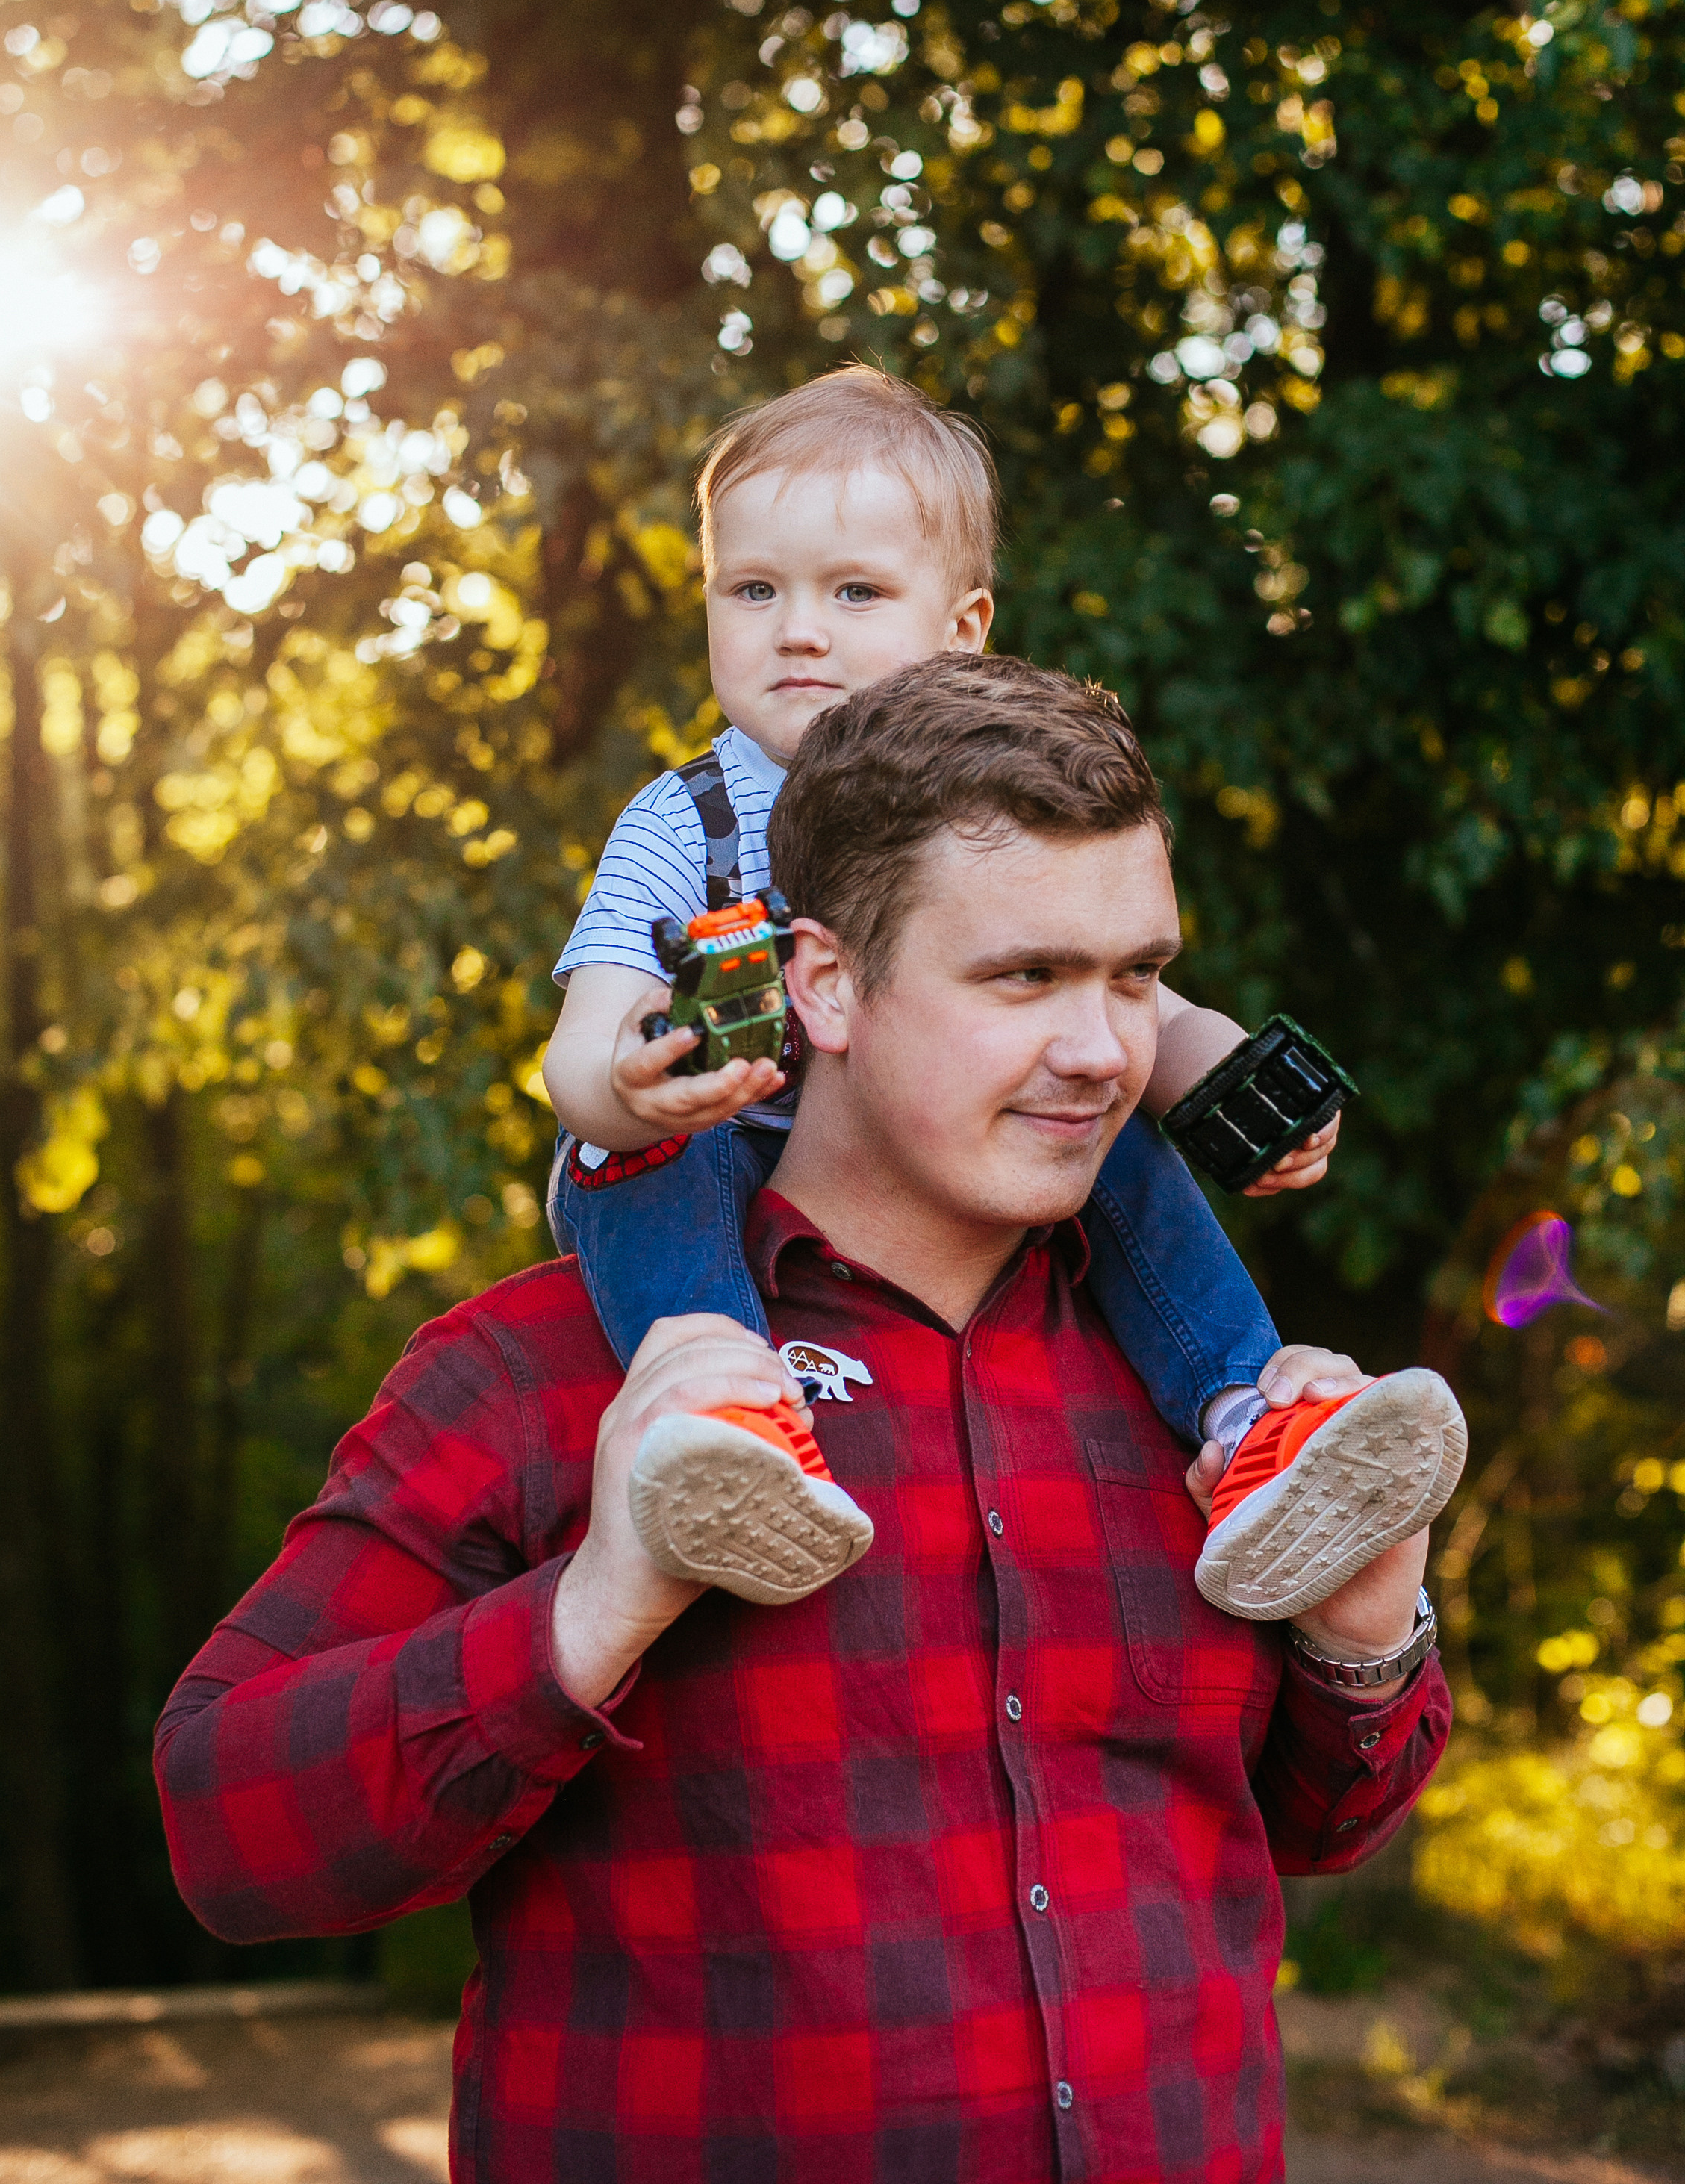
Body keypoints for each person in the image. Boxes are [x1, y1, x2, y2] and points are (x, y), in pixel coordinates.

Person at [156, 654, 1456, 2184]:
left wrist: (1365, 1629)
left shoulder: (1204, 1389)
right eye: (1023, 976)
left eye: (1133, 974)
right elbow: (226, 1825)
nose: (1107, 1047)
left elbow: (1318, 1822)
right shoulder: (536, 1373)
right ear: (821, 982)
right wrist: (598, 1603)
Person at [540, 367, 1452, 1620]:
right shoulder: (680, 820)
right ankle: (719, 1417)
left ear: (962, 627)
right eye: (752, 590)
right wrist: (634, 1081)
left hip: (929, 1159)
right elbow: (583, 1048)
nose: (795, 630)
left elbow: (1114, 1009)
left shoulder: (998, 802)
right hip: (717, 1157)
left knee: (1098, 1100)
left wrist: (1225, 1078)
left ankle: (1251, 1423)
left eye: (853, 592)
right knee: (642, 1161)